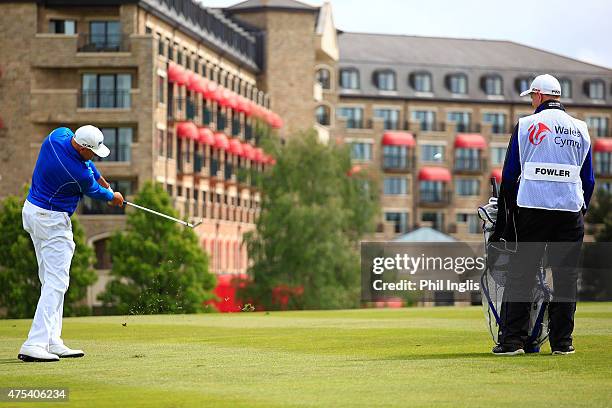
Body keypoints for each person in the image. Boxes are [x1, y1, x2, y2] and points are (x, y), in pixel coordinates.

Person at [491, 74, 595, 356]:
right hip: (570, 212)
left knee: (521, 275)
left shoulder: (526, 125)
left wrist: (507, 216)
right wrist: (579, 208)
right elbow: (589, 180)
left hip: (532, 208)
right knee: (566, 277)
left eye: (531, 98)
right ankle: (562, 343)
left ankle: (512, 341)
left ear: (538, 96)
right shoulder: (581, 128)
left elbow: (510, 175)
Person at [18, 125, 124, 362]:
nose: (95, 156)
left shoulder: (58, 136)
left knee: (51, 281)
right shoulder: (77, 173)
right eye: (93, 152)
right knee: (57, 283)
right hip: (52, 222)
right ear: (83, 147)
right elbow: (94, 190)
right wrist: (112, 196)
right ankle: (34, 343)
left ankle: (52, 341)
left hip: (33, 212)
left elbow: (89, 166)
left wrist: (103, 181)